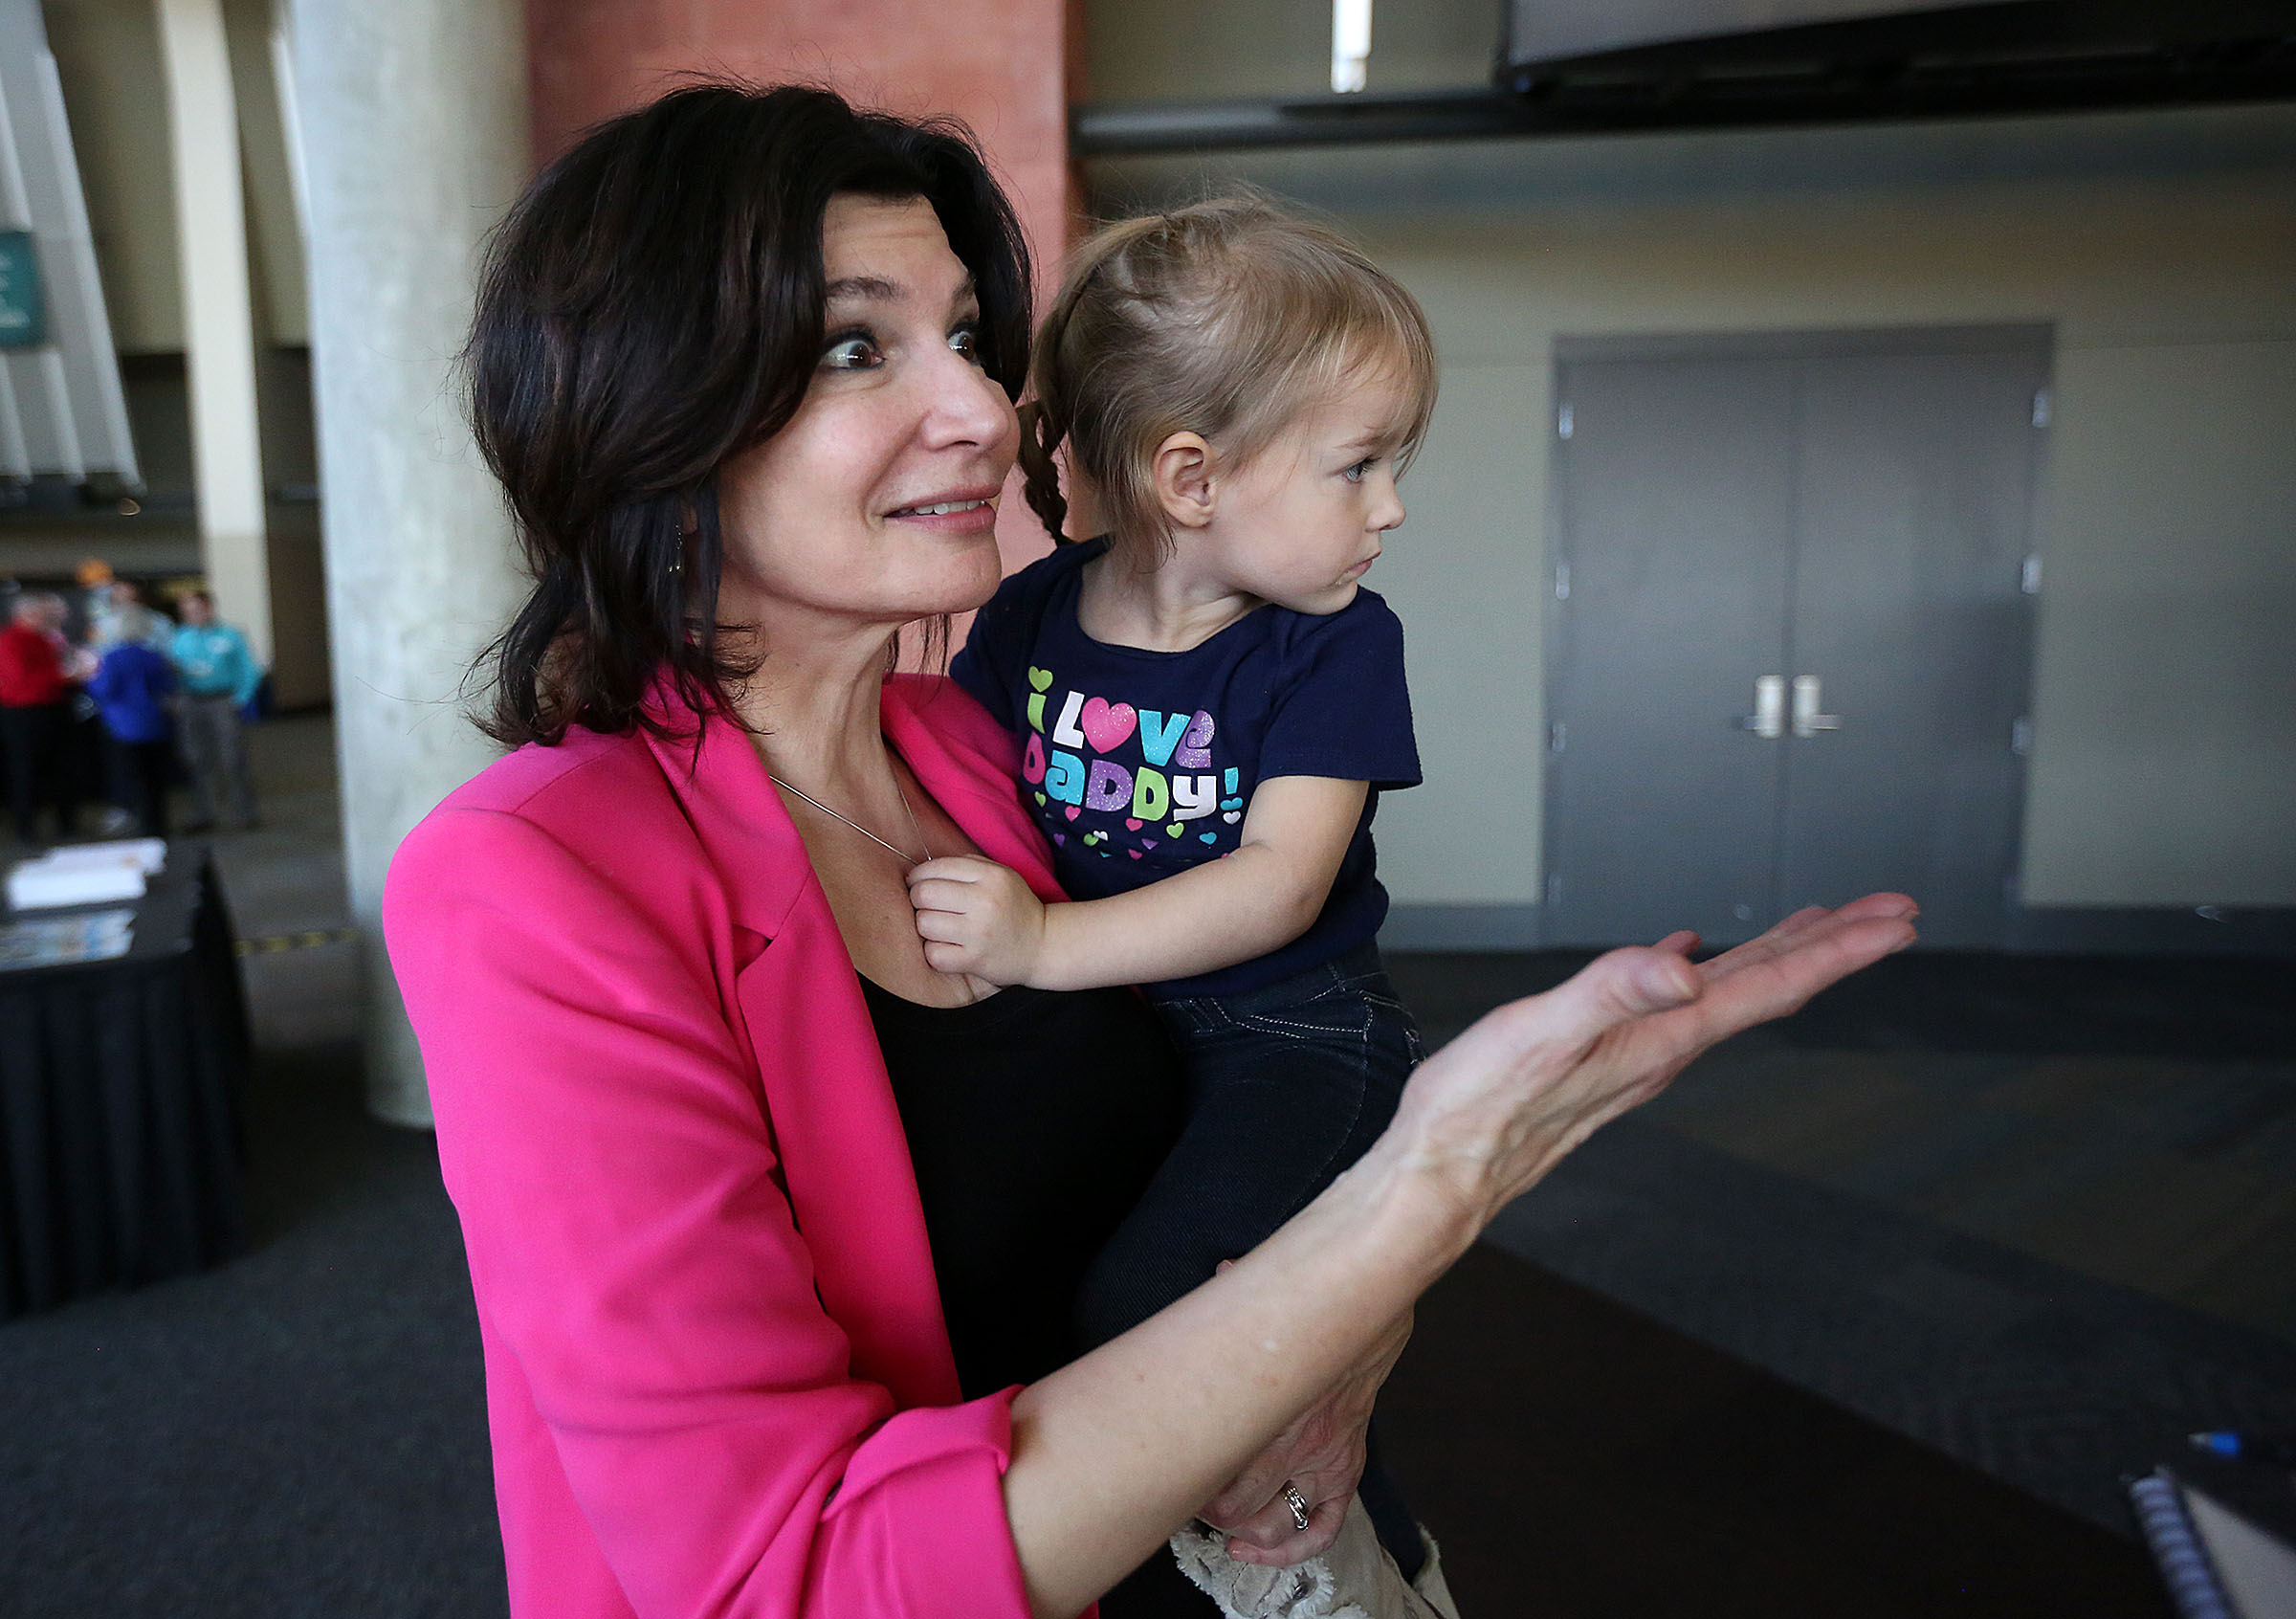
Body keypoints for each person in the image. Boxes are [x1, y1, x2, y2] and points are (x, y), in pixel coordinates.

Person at [381, 82, 1917, 1619]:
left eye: (971, 338)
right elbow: (781, 1580)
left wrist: (1343, 1336)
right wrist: (1437, 1177)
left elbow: (1228, 1156)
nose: (985, 409)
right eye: (860, 344)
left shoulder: (976, 755)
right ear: (652, 406)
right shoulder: (532, 881)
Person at [914, 195, 1440, 1603]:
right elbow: (958, 791)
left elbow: (1278, 888)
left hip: (1293, 1035)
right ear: (1192, 478)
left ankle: (1275, 1561)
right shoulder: (1029, 620)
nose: (1390, 509)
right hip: (1128, 1030)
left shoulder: (1333, 647)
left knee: (1153, 1306)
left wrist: (1042, 942)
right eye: (1358, 466)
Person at [168, 589, 261, 831]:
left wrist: (241, 698)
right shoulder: (179, 637)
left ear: (209, 609)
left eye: (196, 610)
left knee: (232, 758)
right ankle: (204, 815)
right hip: (191, 702)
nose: (192, 615)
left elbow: (249, 669)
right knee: (197, 759)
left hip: (222, 700)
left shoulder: (231, 635)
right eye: (186, 612)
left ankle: (245, 814)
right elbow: (170, 670)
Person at [84, 604, 178, 836]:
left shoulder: (112, 659)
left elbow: (103, 690)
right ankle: (157, 823)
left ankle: (138, 820)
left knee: (131, 776)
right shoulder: (154, 657)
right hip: (155, 723)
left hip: (123, 725)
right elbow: (167, 687)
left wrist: (88, 680)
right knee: (155, 778)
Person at [0, 591, 83, 844]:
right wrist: (65, 675)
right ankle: (26, 829)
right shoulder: (10, 640)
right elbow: (21, 680)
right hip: (24, 714)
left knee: (63, 769)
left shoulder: (45, 639)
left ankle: (67, 823)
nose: (46, 618)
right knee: (26, 772)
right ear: (25, 615)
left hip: (54, 708)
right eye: (40, 613)